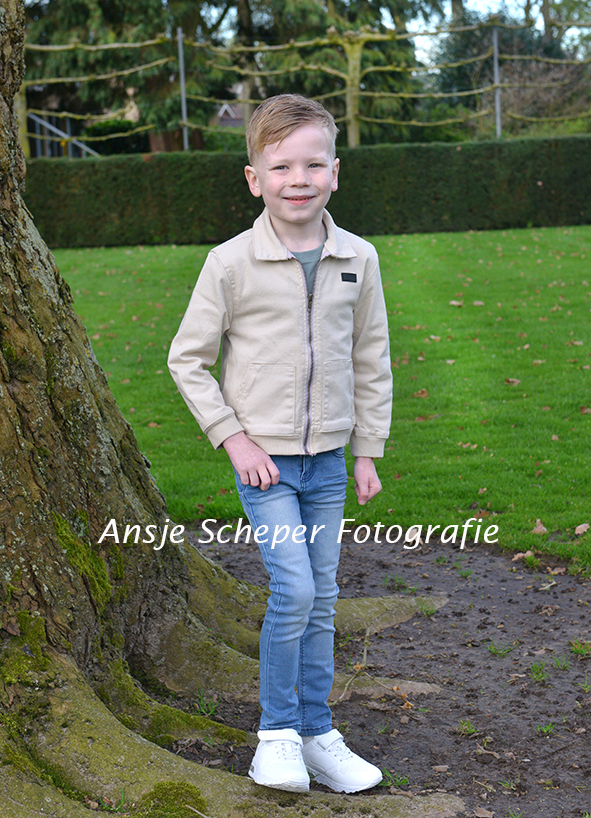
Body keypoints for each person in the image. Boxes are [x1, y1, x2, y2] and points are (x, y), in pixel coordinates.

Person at [168, 94, 392, 794]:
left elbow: (371, 358)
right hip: (263, 466)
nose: (299, 179)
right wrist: (233, 440)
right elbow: (187, 360)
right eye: (282, 167)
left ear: (335, 172)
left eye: (313, 165)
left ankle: (318, 733)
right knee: (294, 589)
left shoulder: (358, 258)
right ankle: (275, 736)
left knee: (322, 597)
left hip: (329, 463)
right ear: (254, 179)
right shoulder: (230, 263)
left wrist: (366, 449)